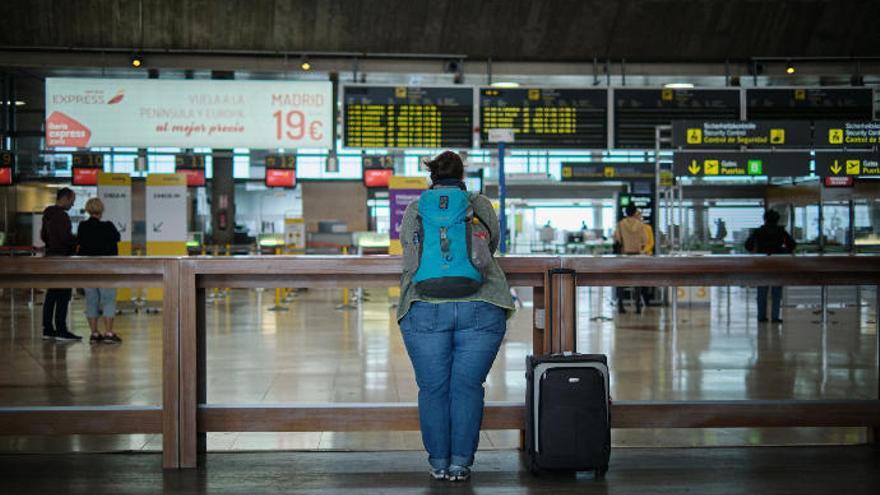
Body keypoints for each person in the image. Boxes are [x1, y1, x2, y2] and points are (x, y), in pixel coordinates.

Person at [398, 151, 514, 482]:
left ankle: (438, 463)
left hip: (424, 307)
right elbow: (490, 248)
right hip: (481, 305)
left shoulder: (417, 207)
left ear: (431, 177)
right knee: (467, 386)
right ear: (464, 175)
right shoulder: (479, 204)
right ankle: (461, 463)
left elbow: (408, 250)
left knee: (433, 388)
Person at [77, 198, 122, 344]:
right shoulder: (108, 226)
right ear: (101, 210)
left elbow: (79, 243)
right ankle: (109, 333)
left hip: (87, 268)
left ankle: (94, 333)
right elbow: (117, 238)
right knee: (108, 299)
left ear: (88, 210)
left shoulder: (82, 226)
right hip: (106, 268)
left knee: (91, 300)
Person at [41, 187, 79, 341]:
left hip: (51, 257)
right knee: (63, 294)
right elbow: (65, 238)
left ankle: (48, 329)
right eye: (72, 200)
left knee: (51, 294)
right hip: (62, 258)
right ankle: (61, 329)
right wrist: (76, 243)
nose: (73, 204)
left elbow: (43, 235)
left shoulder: (48, 214)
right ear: (65, 198)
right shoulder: (62, 216)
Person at [745, 209, 796, 323]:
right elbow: (792, 245)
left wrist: (756, 250)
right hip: (777, 263)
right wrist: (783, 250)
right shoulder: (781, 231)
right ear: (777, 220)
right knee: (776, 291)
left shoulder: (758, 231)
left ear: (764, 219)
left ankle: (761, 317)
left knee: (762, 291)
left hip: (761, 263)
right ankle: (775, 317)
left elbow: (748, 245)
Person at [613, 204, 648, 313]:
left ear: (626, 213)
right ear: (634, 213)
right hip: (637, 255)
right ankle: (637, 306)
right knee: (637, 280)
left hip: (624, 255)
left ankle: (621, 306)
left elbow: (616, 238)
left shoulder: (620, 224)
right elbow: (644, 239)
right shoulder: (640, 225)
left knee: (621, 281)